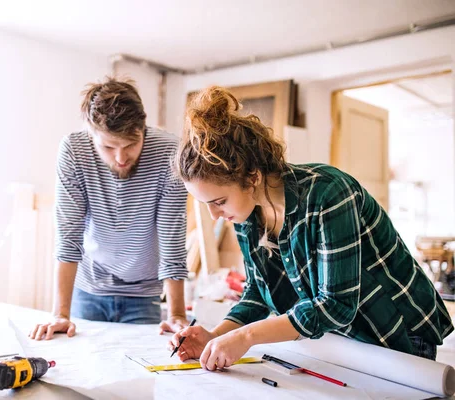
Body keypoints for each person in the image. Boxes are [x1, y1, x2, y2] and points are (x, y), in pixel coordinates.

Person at [168, 86, 454, 370]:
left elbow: (336, 305)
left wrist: (246, 336)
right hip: (342, 340)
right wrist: (216, 336)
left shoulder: (327, 193)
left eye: (218, 201)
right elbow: (258, 292)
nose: (214, 215)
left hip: (397, 333)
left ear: (252, 177)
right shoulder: (246, 215)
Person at [30, 77, 189, 340]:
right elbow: (69, 235)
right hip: (89, 287)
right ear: (90, 133)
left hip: (144, 292)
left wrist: (177, 316)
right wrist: (60, 313)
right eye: (108, 147)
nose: (120, 158)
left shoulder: (170, 153)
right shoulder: (73, 150)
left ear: (143, 128)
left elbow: (172, 237)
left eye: (130, 145)